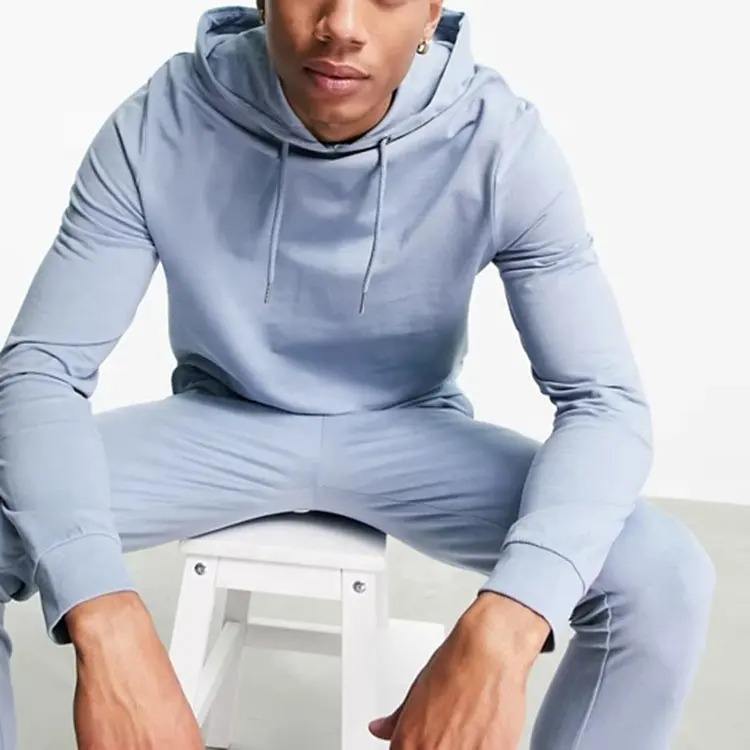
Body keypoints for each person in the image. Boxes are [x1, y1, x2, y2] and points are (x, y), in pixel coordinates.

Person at [0, 2, 716, 748]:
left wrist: (508, 621)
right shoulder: (163, 119)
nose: (341, 24)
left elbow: (603, 400)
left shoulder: (497, 138)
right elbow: (43, 368)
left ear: (431, 12)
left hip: (408, 432)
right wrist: (102, 611)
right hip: (219, 427)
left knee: (662, 576)